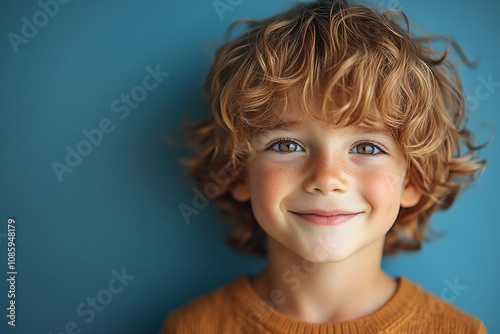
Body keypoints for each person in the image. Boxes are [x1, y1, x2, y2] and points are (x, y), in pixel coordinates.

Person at [163, 0, 487, 332]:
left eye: (366, 147)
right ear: (237, 169)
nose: (327, 179)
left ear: (413, 179)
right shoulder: (193, 327)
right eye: (287, 145)